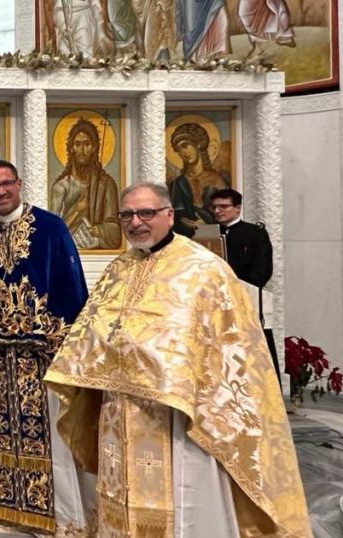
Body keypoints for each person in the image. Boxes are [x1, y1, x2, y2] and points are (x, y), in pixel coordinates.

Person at [44, 183, 311, 537]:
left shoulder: (204, 270)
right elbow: (93, 329)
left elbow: (230, 349)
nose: (136, 222)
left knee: (176, 501)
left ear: (169, 215)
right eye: (127, 214)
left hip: (174, 413)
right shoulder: (118, 268)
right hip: (117, 408)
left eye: (146, 213)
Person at [0, 160, 91, 535]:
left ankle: (57, 515)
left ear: (19, 184)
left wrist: (56, 339)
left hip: (43, 356)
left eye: (7, 184)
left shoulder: (51, 227)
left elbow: (72, 288)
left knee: (49, 435)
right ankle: (7, 506)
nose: (1, 192)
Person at [210, 187, 279, 379]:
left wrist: (235, 285)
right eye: (214, 207)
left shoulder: (255, 233)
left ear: (238, 208)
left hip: (245, 300)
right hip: (214, 301)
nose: (217, 211)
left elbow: (263, 270)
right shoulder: (207, 233)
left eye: (223, 206)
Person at [49, 118, 120, 250]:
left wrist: (99, 230)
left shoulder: (106, 185)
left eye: (87, 144)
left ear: (94, 148)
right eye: (77, 144)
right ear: (71, 149)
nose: (82, 150)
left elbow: (116, 230)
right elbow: (52, 231)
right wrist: (77, 210)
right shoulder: (62, 187)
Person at [168, 122, 229, 237]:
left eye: (186, 145)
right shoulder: (178, 183)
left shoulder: (218, 179)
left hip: (215, 239)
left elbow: (227, 214)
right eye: (179, 149)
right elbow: (176, 218)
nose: (183, 152)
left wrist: (208, 225)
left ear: (198, 144)